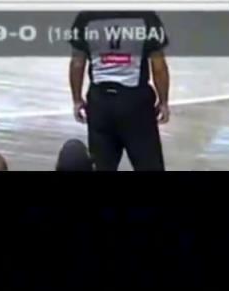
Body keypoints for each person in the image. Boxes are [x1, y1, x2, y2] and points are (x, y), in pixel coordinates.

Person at [70, 9, 169, 171]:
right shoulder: (146, 17)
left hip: (100, 103)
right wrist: (163, 101)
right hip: (135, 103)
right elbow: (158, 66)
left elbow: (77, 63)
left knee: (102, 166)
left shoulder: (86, 17)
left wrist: (77, 100)